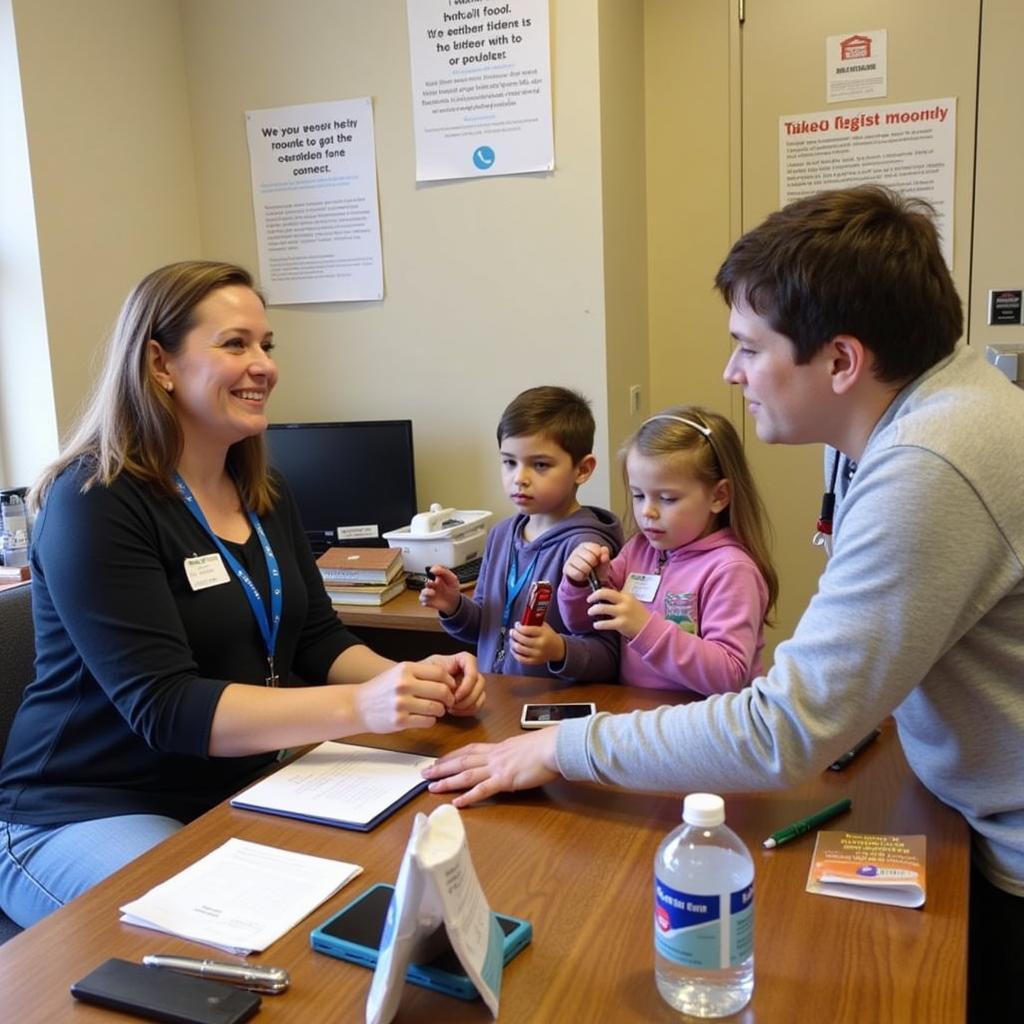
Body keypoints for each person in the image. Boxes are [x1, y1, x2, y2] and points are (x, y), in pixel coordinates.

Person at [421, 186, 1024, 1020]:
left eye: (747, 347)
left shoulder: (930, 464)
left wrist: (562, 750)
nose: (730, 372)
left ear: (841, 362)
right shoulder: (907, 421)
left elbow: (782, 731)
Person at [0, 261, 484, 929]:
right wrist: (363, 706)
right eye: (235, 344)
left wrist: (408, 679)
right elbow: (166, 707)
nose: (263, 365)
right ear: (159, 362)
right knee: (219, 930)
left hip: (231, 787)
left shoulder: (263, 491)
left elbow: (316, 637)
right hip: (83, 808)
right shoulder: (96, 500)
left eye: (267, 345)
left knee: (380, 878)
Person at [559, 405, 777, 693]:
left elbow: (730, 675)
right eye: (638, 495)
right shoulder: (639, 549)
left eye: (667, 498)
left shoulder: (731, 570)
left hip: (705, 726)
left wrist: (643, 627)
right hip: (639, 715)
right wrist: (581, 582)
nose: (647, 511)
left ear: (719, 496)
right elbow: (583, 623)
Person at [419, 386, 623, 679]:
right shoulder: (501, 534)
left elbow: (610, 655)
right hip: (497, 700)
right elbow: (486, 627)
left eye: (540, 465)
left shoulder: (587, 549)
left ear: (582, 469)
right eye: (509, 462)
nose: (519, 478)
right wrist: (453, 606)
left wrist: (560, 650)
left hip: (553, 710)